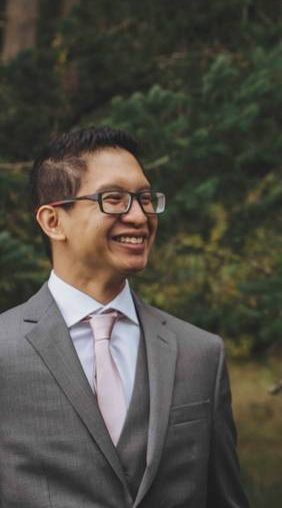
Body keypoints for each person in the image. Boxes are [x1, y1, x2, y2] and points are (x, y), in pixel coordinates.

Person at [0, 127, 248, 507]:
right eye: (113, 199)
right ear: (53, 222)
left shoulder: (201, 353)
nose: (139, 216)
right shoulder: (4, 348)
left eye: (145, 199)